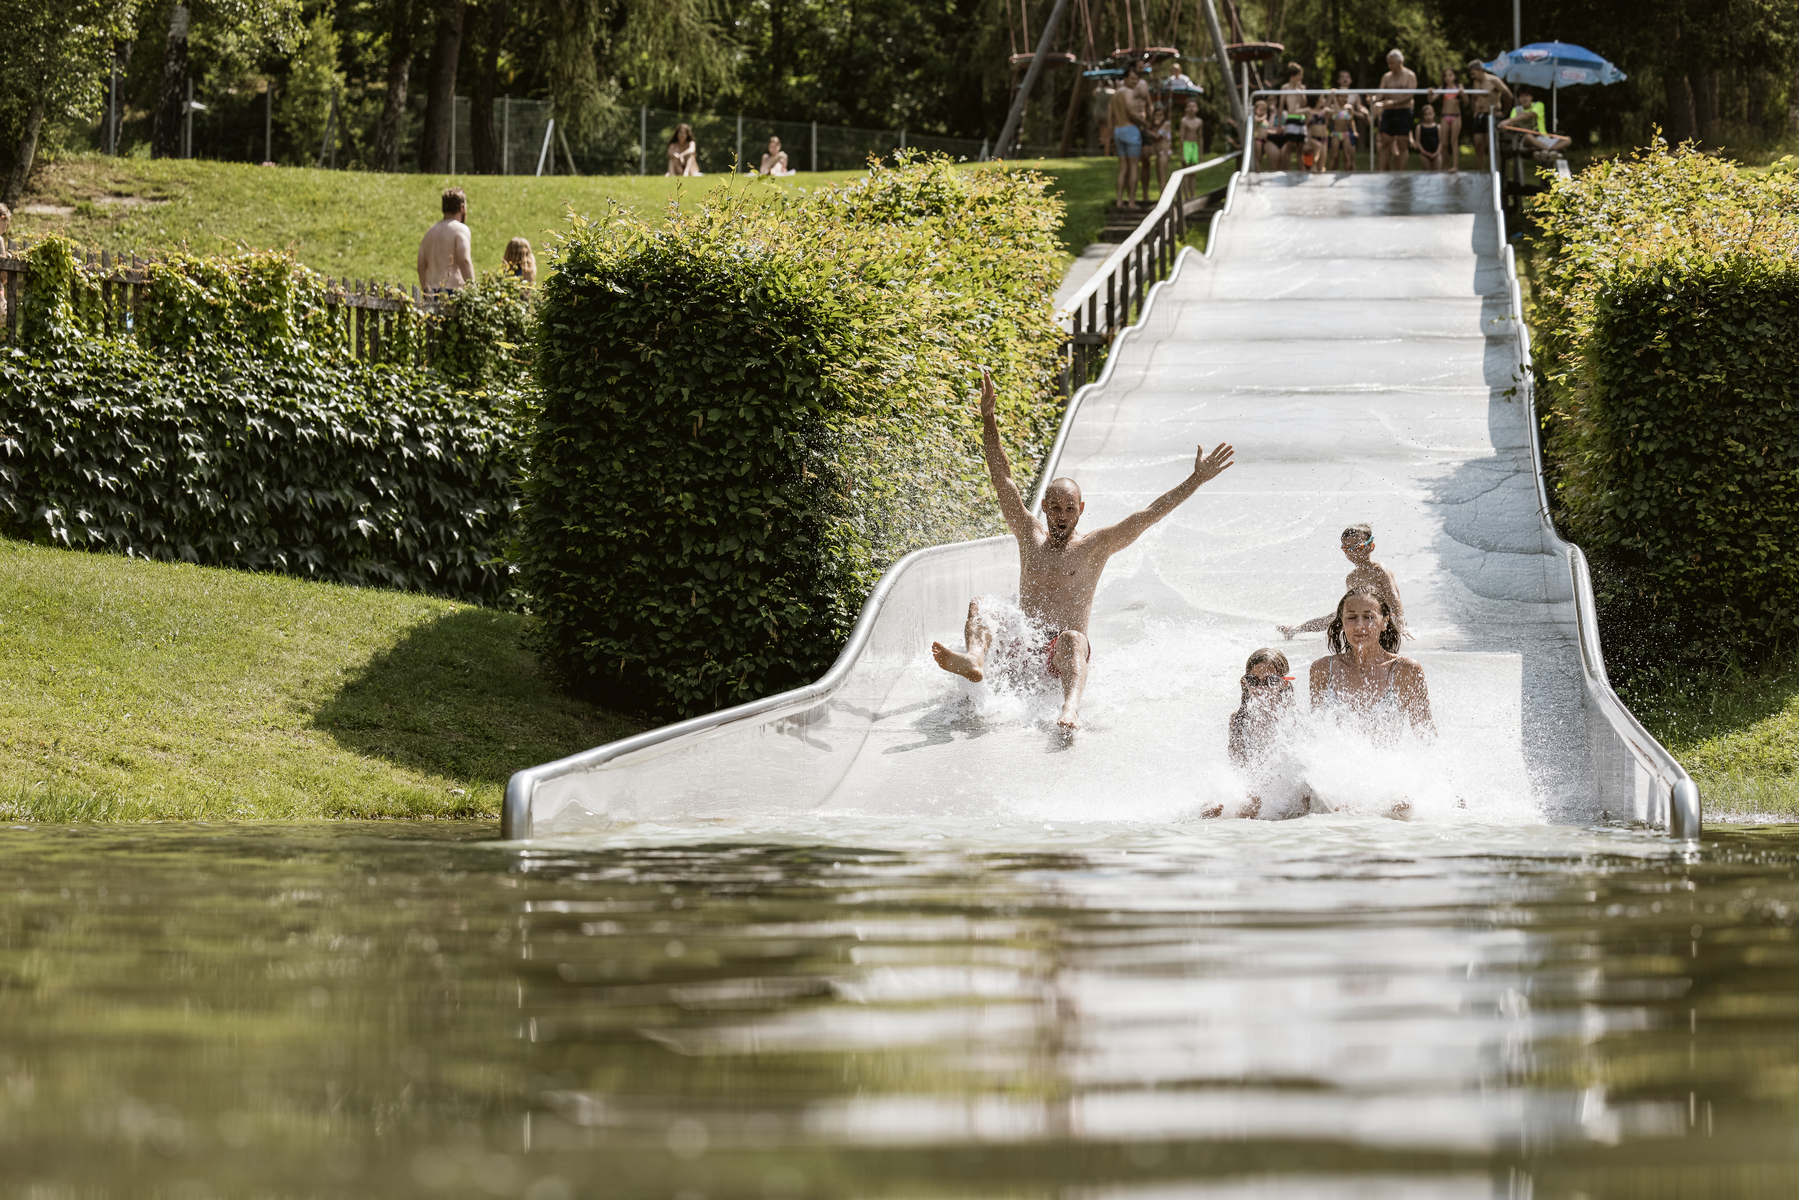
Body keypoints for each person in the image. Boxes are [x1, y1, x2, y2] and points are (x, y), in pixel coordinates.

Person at [930, 368, 1235, 730]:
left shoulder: (1095, 546)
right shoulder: (1029, 533)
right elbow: (1003, 479)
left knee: (1074, 638)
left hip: (1059, 655)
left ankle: (1070, 707)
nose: (1061, 516)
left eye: (1069, 508)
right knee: (984, 604)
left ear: (1081, 509)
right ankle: (974, 659)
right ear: (1045, 506)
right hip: (1022, 646)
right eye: (1055, 508)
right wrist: (988, 418)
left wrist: (1195, 479)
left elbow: (1150, 514)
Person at [1309, 587, 1434, 746]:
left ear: (1384, 622)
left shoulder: (1406, 670)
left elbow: (1426, 737)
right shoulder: (1322, 669)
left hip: (1385, 761)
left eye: (1368, 617)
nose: (1359, 625)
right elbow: (1316, 735)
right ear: (1342, 623)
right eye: (1352, 617)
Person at [1277, 523, 1410, 640]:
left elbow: (1394, 596)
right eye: (1347, 548)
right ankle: (1295, 630)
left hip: (1386, 618)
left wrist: (1401, 626)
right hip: (1362, 616)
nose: (1352, 552)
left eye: (1358, 547)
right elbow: (1351, 604)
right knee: (1334, 616)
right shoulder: (1351, 577)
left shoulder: (1379, 570)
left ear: (1371, 547)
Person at [417, 186, 475, 292]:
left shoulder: (429, 233)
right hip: (452, 291)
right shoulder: (460, 229)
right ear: (462, 208)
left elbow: (421, 268)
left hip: (431, 291)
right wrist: (473, 290)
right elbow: (464, 261)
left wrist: (426, 291)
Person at [1374, 49, 1418, 171]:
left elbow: (1410, 94)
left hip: (1404, 111)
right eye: (1388, 63)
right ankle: (1382, 173)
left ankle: (1401, 174)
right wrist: (1373, 99)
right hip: (1389, 112)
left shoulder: (1410, 76)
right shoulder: (1386, 77)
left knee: (1402, 143)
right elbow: (1380, 92)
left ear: (1399, 62)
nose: (1389, 66)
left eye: (1391, 63)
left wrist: (1394, 102)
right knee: (1385, 142)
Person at [1110, 63, 1147, 206]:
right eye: (1132, 79)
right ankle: (1131, 201)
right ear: (1125, 78)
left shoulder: (1115, 94)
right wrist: (1144, 122)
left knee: (1123, 168)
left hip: (1118, 130)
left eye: (1136, 79)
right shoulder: (1128, 92)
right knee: (1133, 168)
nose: (1135, 82)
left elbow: (1111, 116)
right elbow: (1130, 112)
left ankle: (1119, 201)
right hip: (1130, 130)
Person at [1465, 60, 1513, 169]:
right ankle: (1480, 172)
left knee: (1491, 146)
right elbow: (1474, 98)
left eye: (1473, 73)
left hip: (1491, 115)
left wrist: (1504, 113)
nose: (1472, 77)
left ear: (1481, 69)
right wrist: (1474, 111)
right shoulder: (1476, 82)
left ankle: (1494, 172)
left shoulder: (1494, 80)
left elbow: (1509, 96)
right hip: (1479, 116)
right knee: (1478, 145)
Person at [1501, 87, 1571, 155]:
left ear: (1531, 97)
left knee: (1568, 139)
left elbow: (1528, 115)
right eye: (1521, 96)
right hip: (1525, 140)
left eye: (1526, 95)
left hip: (1543, 137)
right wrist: (1506, 125)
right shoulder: (1515, 110)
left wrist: (1507, 121)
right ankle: (1550, 150)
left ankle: (1548, 150)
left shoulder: (1539, 105)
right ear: (1519, 98)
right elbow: (1511, 124)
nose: (1524, 98)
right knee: (1528, 136)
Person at [1272, 63, 1310, 171]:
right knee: (1289, 145)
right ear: (1294, 75)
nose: (1301, 77)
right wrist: (1279, 124)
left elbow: (1304, 104)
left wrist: (1300, 92)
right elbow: (1281, 106)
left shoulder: (1302, 87)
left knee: (1300, 147)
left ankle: (1300, 172)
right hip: (1291, 118)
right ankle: (1286, 171)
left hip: (1300, 118)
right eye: (1300, 75)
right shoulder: (1285, 88)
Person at [1428, 67, 1463, 171]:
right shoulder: (1442, 88)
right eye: (1445, 76)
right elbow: (1431, 100)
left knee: (1454, 141)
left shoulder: (1458, 87)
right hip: (1445, 116)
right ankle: (1445, 166)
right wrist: (1430, 93)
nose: (1447, 77)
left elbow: (1466, 101)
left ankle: (1455, 166)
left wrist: (1462, 93)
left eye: (1450, 75)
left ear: (1455, 76)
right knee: (1444, 143)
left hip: (1456, 116)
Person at [1324, 88, 1364, 171]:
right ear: (1337, 97)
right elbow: (1329, 117)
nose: (1343, 99)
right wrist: (1333, 96)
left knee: (1347, 156)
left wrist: (1354, 131)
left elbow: (1351, 121)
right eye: (1341, 96)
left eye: (1345, 96)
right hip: (1336, 133)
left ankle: (1348, 173)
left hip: (1346, 133)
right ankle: (1330, 173)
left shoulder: (1349, 108)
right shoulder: (1333, 107)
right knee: (1334, 156)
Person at [1413, 104, 1444, 171]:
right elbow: (1418, 142)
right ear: (1423, 115)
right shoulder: (1419, 127)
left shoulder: (1438, 127)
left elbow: (1441, 142)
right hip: (1424, 154)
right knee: (1426, 173)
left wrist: (1436, 153)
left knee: (1437, 172)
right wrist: (1424, 152)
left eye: (1430, 114)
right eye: (1426, 114)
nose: (1428, 116)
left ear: (1434, 114)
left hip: (1436, 154)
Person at [1179, 98, 1204, 168]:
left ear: (1197, 108)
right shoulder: (1184, 121)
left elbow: (1200, 138)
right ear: (1186, 108)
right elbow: (1181, 138)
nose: (1192, 108)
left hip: (1194, 146)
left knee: (1193, 169)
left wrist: (1200, 154)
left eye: (1194, 106)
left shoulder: (1199, 122)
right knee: (1185, 169)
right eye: (1189, 106)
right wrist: (1182, 155)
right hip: (1186, 145)